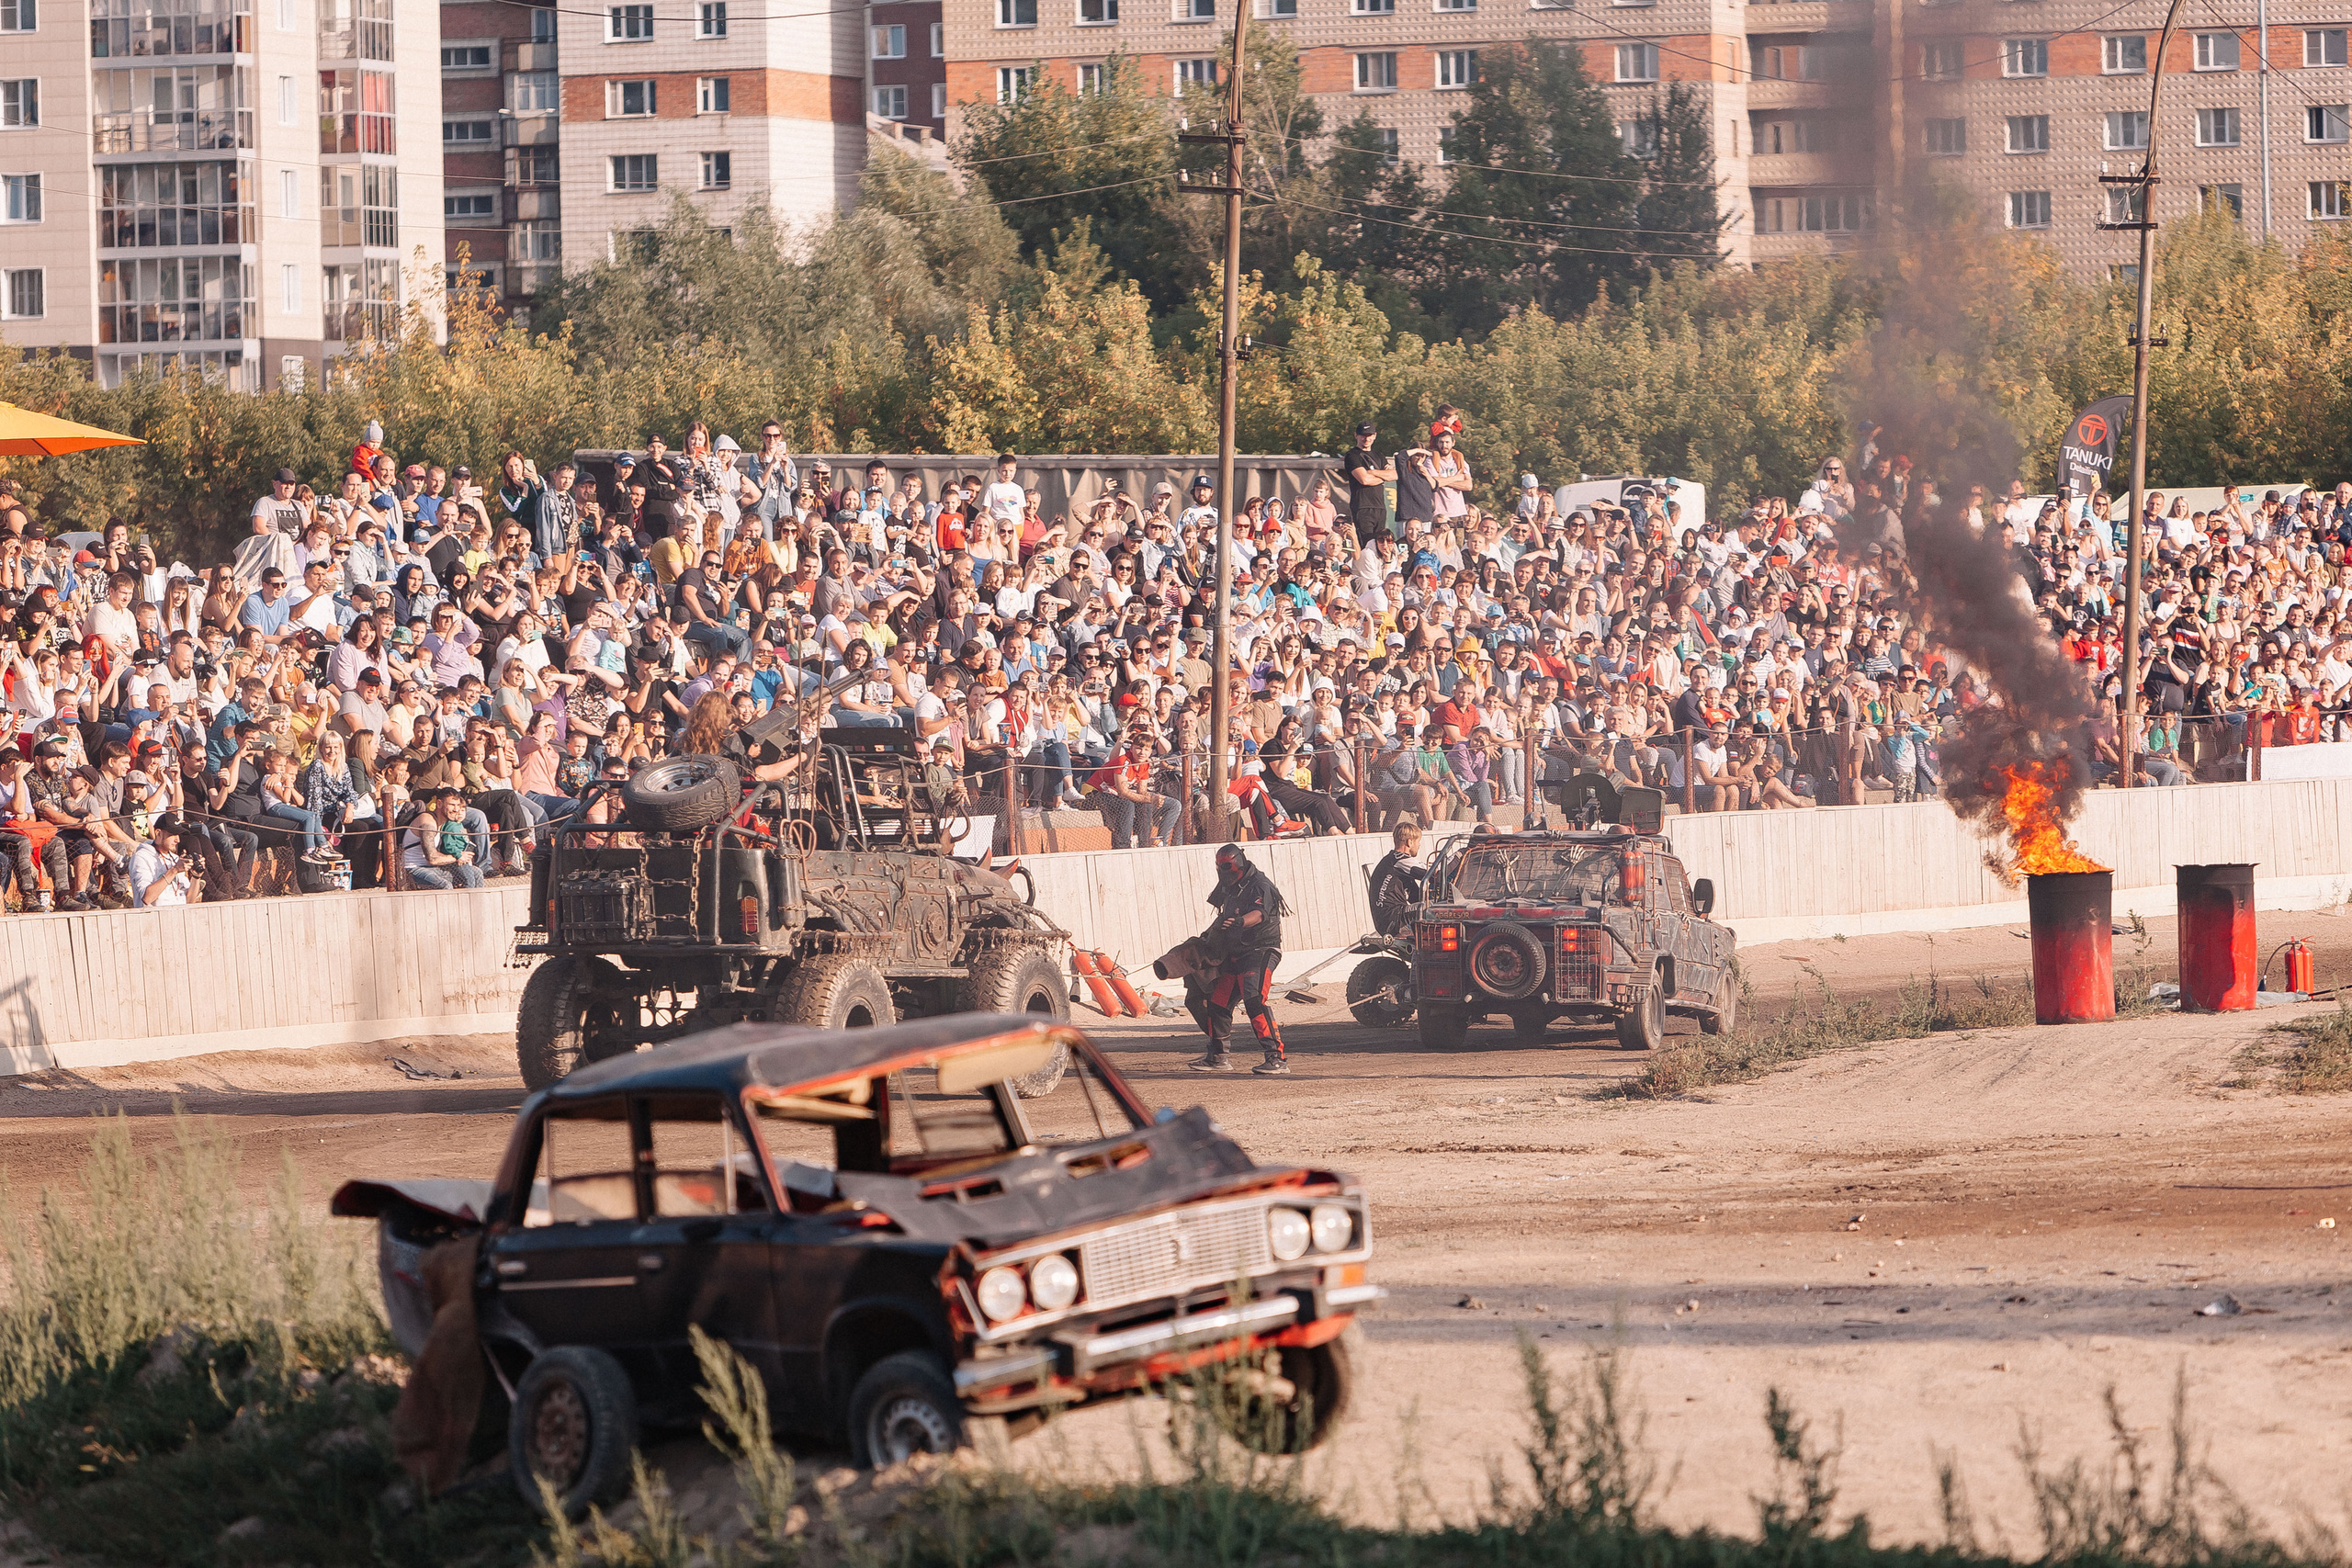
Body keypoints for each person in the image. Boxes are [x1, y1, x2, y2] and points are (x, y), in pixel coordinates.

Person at [1186, 842, 1293, 1076]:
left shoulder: (1260, 885)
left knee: (1254, 999)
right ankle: (1218, 1057)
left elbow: (1259, 914)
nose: (1223, 872)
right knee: (1217, 1002)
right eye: (1219, 867)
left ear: (1239, 864)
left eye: (1227, 867)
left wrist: (1241, 921)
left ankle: (1276, 1058)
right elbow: (1221, 913)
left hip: (1261, 950)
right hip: (1235, 951)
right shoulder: (1227, 885)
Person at [1365, 820, 1426, 935]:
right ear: (1410, 842)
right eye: (1418, 841)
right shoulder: (1401, 860)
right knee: (1437, 908)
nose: (1419, 845)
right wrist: (1459, 856)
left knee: (1431, 904)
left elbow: (1415, 896)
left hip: (1387, 921)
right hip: (1395, 919)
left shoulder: (1391, 860)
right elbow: (1434, 873)